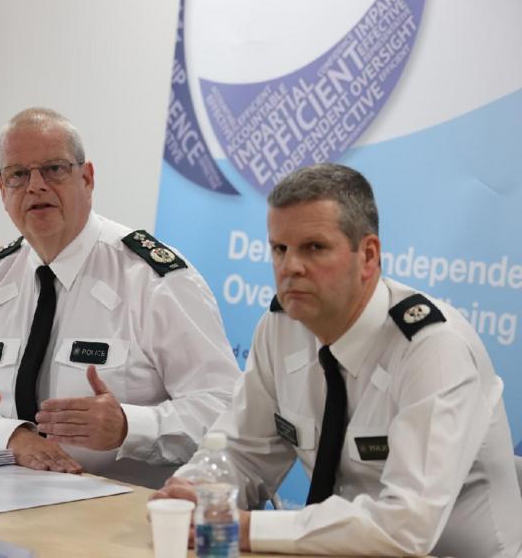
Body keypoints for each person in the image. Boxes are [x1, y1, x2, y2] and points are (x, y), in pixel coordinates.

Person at [153, 163, 522, 556]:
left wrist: (243, 527)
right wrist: (194, 491)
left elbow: (406, 527)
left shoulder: (433, 348)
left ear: (368, 256)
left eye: (314, 247)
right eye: (280, 249)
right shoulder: (281, 328)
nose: (291, 267)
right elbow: (244, 454)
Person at [0, 108, 240, 488]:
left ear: (86, 178)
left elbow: (226, 410)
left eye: (54, 169)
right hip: (4, 506)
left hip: (122, 517)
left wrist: (129, 427)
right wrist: (12, 437)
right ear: (2, 190)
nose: (36, 185)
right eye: (18, 175)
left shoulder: (152, 281)